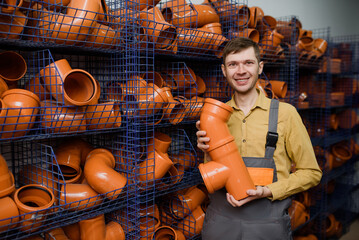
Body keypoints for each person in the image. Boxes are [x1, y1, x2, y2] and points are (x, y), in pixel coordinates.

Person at [196, 37, 322, 239]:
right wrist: (206, 152)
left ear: (260, 67)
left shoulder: (285, 114)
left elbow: (312, 173)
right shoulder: (216, 117)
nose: (241, 71)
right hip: (220, 224)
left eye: (248, 63)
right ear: (224, 70)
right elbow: (215, 175)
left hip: (268, 225)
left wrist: (269, 191)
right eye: (233, 64)